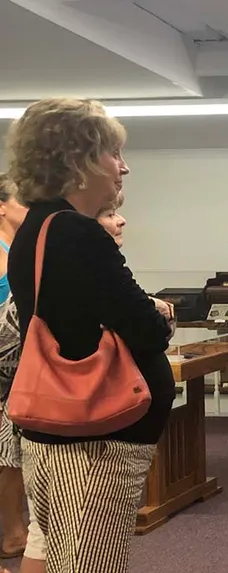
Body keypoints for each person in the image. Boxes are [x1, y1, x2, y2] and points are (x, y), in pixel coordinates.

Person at [5, 97, 175, 572]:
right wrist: (160, 317)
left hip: (72, 441)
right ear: (76, 160)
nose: (124, 168)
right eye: (113, 154)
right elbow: (146, 327)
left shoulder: (41, 228)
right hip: (91, 449)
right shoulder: (75, 233)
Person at [0, 174, 27, 573]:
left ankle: (14, 529)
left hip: (18, 368)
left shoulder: (22, 249)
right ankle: (11, 532)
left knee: (11, 452)